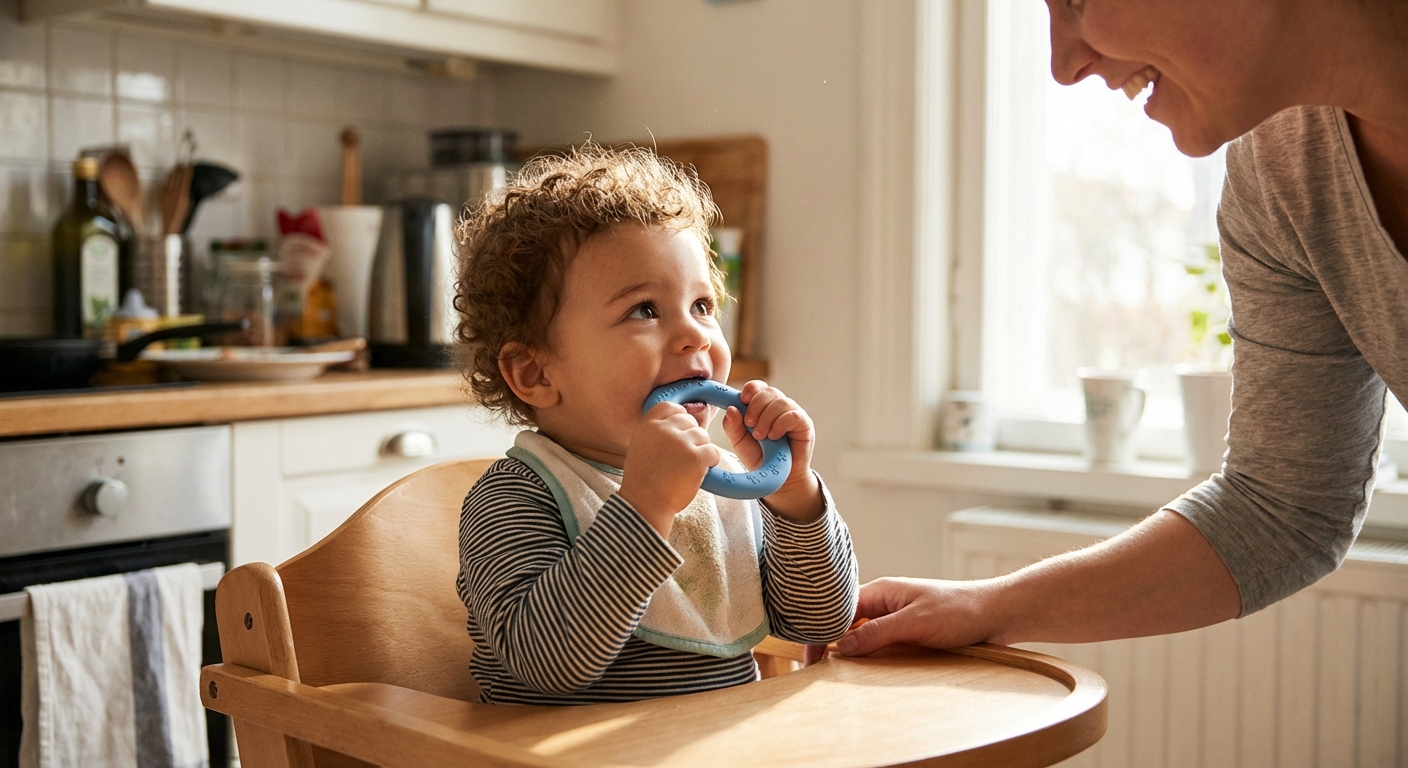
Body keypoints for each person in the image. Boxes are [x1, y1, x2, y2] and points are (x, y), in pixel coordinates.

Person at [838, 0, 1408, 656]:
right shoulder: (1282, 181)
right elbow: (1282, 507)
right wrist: (981, 606)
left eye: (1076, 2)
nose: (1063, 65)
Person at [453, 145, 859, 704]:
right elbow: (547, 662)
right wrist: (645, 507)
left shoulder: (727, 484)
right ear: (535, 372)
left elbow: (821, 621)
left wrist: (794, 494)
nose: (695, 335)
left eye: (702, 305)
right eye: (644, 310)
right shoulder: (516, 499)